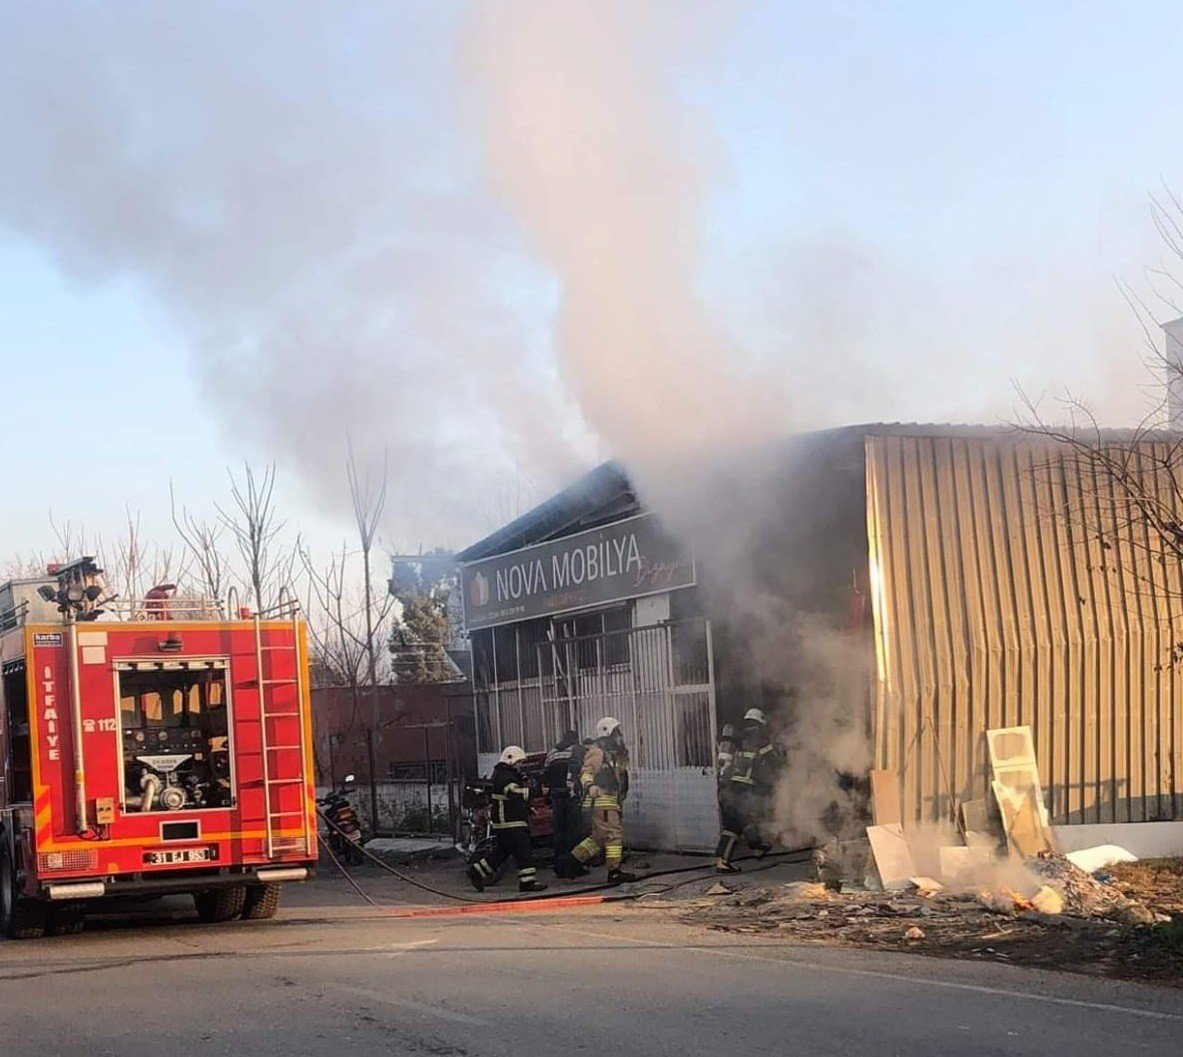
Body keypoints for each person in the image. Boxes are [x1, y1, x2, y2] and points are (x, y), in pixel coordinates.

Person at [564, 717, 636, 885]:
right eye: (616, 732)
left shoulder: (611, 753)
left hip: (611, 802)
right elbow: (586, 772)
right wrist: (590, 786)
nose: (620, 735)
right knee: (614, 836)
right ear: (608, 733)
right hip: (603, 802)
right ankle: (614, 872)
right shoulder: (598, 751)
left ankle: (572, 861)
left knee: (599, 837)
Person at [467, 745, 548, 893]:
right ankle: (527, 882)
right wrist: (537, 791)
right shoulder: (506, 775)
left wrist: (528, 808)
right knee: (523, 849)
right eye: (519, 762)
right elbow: (514, 793)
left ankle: (476, 872)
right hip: (510, 822)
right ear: (511, 760)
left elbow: (512, 799)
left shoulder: (503, 774)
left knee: (501, 853)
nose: (520, 765)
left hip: (507, 821)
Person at [715, 708, 778, 873]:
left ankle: (757, 847)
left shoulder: (736, 738)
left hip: (725, 787)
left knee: (746, 819)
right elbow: (774, 762)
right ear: (760, 723)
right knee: (733, 827)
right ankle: (722, 861)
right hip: (742, 789)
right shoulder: (760, 739)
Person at [544, 729, 579, 877]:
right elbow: (578, 773)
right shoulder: (574, 751)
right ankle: (572, 867)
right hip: (570, 796)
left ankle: (559, 868)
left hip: (556, 798)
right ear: (575, 740)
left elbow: (545, 776)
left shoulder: (551, 753)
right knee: (573, 832)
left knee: (559, 833)